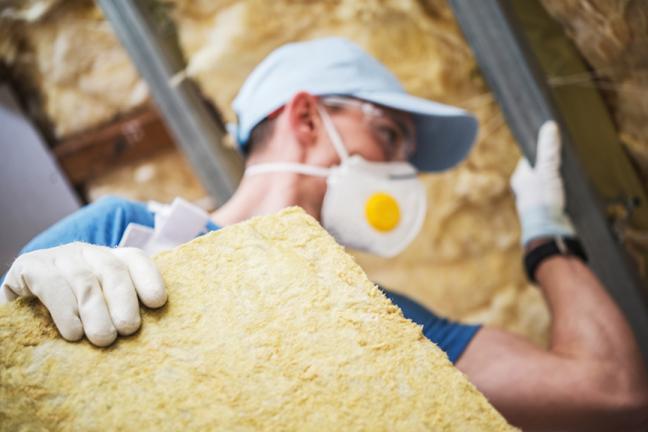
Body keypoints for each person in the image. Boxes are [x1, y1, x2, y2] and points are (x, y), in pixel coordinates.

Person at [2, 38, 647, 430]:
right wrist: (13, 321)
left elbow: (610, 393)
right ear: (307, 116)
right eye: (389, 137)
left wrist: (547, 236)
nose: (401, 174)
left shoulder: (389, 322)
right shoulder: (116, 237)